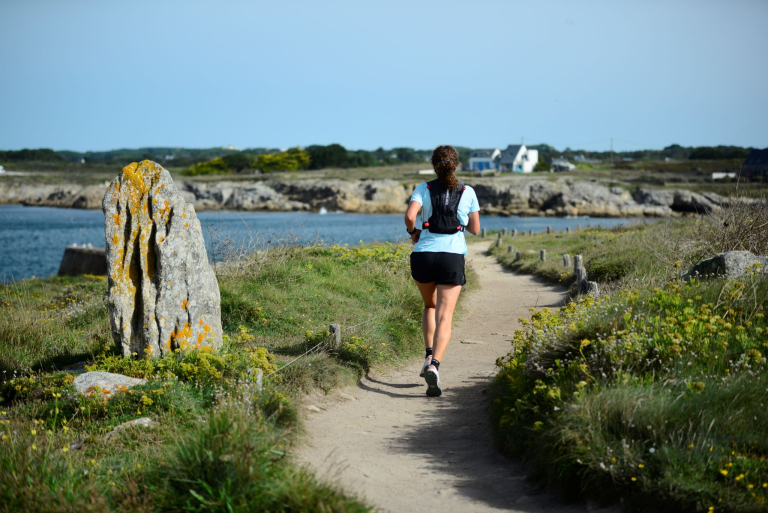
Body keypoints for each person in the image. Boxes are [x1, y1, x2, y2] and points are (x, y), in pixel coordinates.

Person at [404, 145, 480, 397]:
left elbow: (409, 216)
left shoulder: (422, 188)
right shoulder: (467, 191)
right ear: (455, 165)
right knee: (445, 316)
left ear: (434, 164)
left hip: (423, 256)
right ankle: (435, 366)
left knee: (430, 306)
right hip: (451, 257)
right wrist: (461, 219)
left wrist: (413, 232)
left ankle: (427, 357)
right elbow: (475, 229)